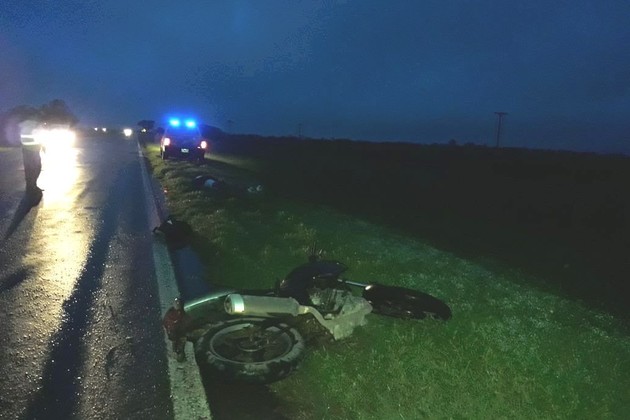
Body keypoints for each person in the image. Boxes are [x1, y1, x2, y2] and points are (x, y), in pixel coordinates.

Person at [19, 120, 43, 200]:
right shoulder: (30, 127)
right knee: (33, 169)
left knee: (33, 169)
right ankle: (31, 187)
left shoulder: (29, 126)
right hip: (31, 151)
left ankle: (32, 186)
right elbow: (33, 139)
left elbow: (38, 138)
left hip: (31, 151)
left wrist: (42, 146)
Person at [162, 297, 190, 362]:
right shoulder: (170, 313)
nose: (177, 304)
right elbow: (166, 322)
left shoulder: (182, 312)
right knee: (176, 341)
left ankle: (179, 353)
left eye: (178, 303)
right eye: (176, 303)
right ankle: (177, 352)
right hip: (174, 332)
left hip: (180, 331)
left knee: (180, 341)